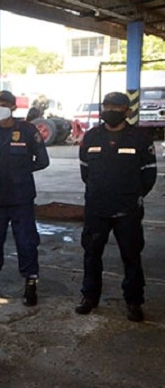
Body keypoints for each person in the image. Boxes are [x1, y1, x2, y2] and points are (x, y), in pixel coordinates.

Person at [76, 91, 157, 322]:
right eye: (107, 105)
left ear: (127, 111)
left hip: (127, 210)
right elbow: (85, 172)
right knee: (91, 254)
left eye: (116, 107)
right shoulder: (91, 137)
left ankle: (134, 301)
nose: (110, 110)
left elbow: (149, 175)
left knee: (131, 256)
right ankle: (89, 297)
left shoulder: (140, 139)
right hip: (96, 209)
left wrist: (132, 196)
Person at [0, 90, 49, 306]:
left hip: (21, 197)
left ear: (13, 107)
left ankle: (30, 284)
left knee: (26, 241)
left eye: (4, 103)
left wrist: (22, 171)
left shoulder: (27, 130)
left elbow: (42, 160)